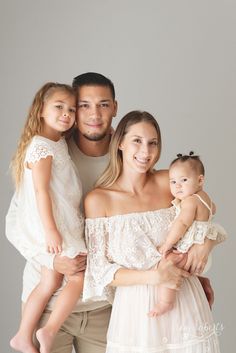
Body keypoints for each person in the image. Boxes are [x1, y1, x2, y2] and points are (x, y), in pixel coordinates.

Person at [6, 73, 215, 353]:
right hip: (49, 301)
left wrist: (201, 249)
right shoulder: (51, 153)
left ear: (115, 107)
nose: (94, 114)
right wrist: (52, 261)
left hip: (107, 306)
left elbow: (185, 209)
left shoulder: (133, 155)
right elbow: (18, 223)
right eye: (84, 105)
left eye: (103, 104)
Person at [83, 111, 226, 353]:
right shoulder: (98, 200)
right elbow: (99, 272)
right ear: (120, 143)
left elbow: (205, 211)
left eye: (153, 143)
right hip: (134, 313)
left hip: (184, 299)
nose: (146, 152)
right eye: (137, 141)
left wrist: (205, 244)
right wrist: (155, 277)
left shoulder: (169, 182)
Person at [8, 82, 87, 353]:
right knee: (77, 275)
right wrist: (52, 231)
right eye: (59, 107)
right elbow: (41, 191)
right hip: (55, 224)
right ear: (41, 110)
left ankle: (22, 335)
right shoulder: (42, 147)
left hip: (59, 221)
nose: (66, 113)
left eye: (71, 109)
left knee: (50, 281)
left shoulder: (57, 142)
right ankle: (49, 330)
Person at [149, 152, 227, 317]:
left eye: (184, 180)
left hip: (190, 252)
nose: (177, 186)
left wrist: (167, 245)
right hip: (201, 251)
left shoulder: (190, 201)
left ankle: (165, 303)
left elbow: (182, 224)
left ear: (200, 180)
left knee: (168, 262)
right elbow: (213, 210)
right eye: (173, 181)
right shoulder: (205, 198)